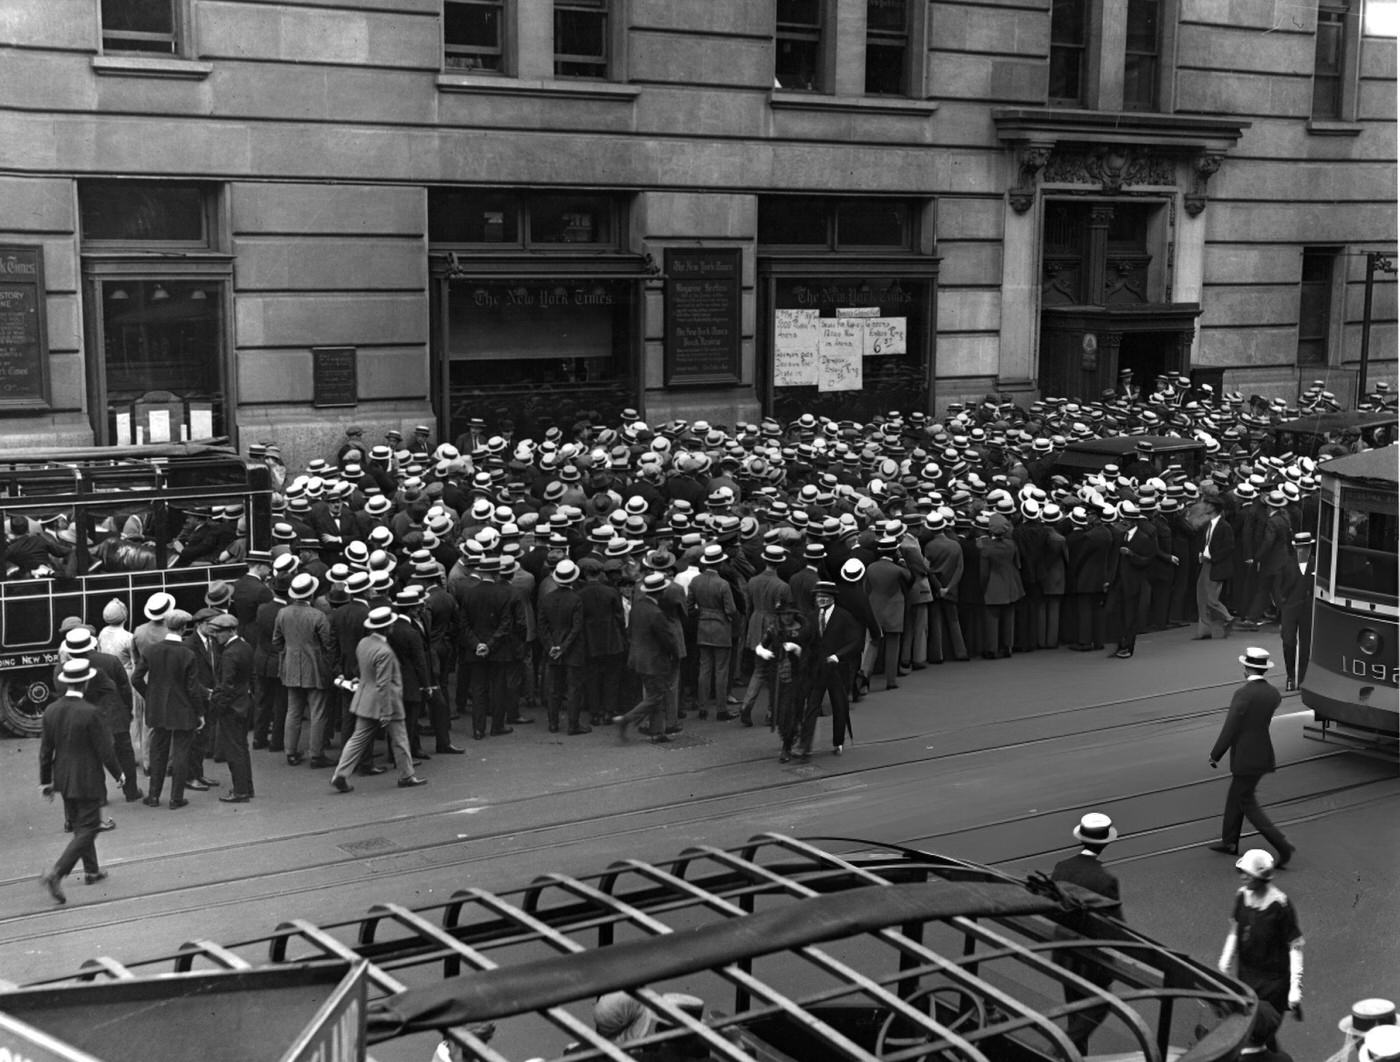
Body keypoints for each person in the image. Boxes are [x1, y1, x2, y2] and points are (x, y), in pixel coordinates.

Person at [38, 658, 125, 904]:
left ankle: (92, 870)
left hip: (63, 777)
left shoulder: (51, 710)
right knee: (90, 827)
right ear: (85, 682)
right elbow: (105, 749)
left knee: (80, 825)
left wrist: (45, 782)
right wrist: (119, 773)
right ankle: (57, 872)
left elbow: (46, 750)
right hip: (87, 777)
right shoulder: (91, 712)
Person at [1208, 647, 1294, 867]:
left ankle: (1281, 844)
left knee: (1246, 801)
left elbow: (1231, 727)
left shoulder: (1244, 694)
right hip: (1263, 751)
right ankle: (1229, 842)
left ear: (1246, 669)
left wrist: (1216, 754)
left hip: (1245, 756)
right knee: (1236, 796)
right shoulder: (1273, 694)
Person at [329, 606, 427, 792]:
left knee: (357, 739)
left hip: (365, 699)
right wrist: (386, 711)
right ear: (388, 627)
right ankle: (407, 775)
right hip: (387, 702)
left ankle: (340, 774)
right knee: (400, 739)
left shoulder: (364, 643)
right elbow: (384, 684)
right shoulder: (385, 652)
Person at [1049, 812, 1123, 1055]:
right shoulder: (1105, 879)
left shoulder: (1062, 868)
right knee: (1098, 1003)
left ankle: (1074, 1053)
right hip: (1088, 955)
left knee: (1073, 1005)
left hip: (1062, 948)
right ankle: (1064, 1049)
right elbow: (1115, 926)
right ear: (1106, 843)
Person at [1218, 849, 1304, 1028]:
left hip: (1272, 983)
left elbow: (1295, 947)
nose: (1243, 877)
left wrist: (1295, 989)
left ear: (1261, 877)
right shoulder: (1242, 896)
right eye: (1241, 872)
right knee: (1249, 1029)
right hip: (1246, 977)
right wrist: (1225, 962)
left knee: (1264, 1029)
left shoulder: (1280, 905)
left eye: (1248, 874)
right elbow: (1235, 929)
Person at [131, 609, 206, 810]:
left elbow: (136, 678)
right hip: (183, 709)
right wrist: (199, 712)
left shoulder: (151, 651)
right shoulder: (187, 654)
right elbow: (192, 687)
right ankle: (176, 798)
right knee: (181, 753)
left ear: (166, 627)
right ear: (183, 628)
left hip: (157, 708)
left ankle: (153, 795)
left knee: (158, 751)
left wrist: (150, 696)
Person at [615, 572, 682, 744]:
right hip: (654, 659)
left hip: (638, 656)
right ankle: (627, 719)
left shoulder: (638, 606)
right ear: (660, 592)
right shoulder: (656, 613)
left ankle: (657, 731)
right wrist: (675, 654)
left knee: (654, 693)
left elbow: (630, 630)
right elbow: (667, 639)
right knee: (656, 695)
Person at [208, 612, 255, 802]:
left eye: (219, 633)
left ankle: (240, 791)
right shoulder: (245, 647)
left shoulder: (228, 654)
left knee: (233, 751)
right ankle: (246, 787)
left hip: (232, 709)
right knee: (242, 748)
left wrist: (217, 705)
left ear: (228, 632)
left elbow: (226, 685)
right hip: (244, 703)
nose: (216, 637)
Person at [1276, 532, 1315, 693]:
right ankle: (1290, 676)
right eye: (1300, 547)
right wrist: (1282, 606)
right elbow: (1277, 588)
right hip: (1290, 608)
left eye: (1306, 547)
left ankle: (1303, 678)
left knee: (1306, 644)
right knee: (1289, 642)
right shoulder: (1286, 564)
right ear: (1295, 547)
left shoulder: (1317, 563)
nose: (1303, 550)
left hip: (1308, 608)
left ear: (1310, 547)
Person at [1195, 495, 1236, 640]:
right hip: (1206, 563)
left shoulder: (1225, 526)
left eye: (1208, 504)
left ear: (1214, 508)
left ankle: (1228, 617)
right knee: (1201, 596)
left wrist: (1213, 558)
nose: (1205, 506)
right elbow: (1205, 542)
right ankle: (1204, 630)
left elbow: (1229, 547)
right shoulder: (1208, 525)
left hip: (1216, 565)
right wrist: (1201, 553)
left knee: (1211, 599)